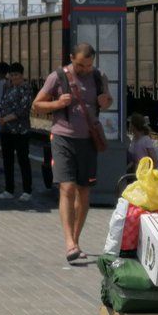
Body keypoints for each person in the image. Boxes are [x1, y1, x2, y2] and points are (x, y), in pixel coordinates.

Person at [32, 42, 111, 264]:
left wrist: (106, 101)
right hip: (62, 137)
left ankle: (76, 241)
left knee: (84, 191)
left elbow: (107, 99)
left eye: (87, 65)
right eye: (79, 65)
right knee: (67, 187)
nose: (84, 69)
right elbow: (37, 104)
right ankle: (69, 243)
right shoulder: (57, 76)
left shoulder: (98, 76)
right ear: (70, 58)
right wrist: (57, 103)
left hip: (88, 140)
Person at [0, 62, 34, 200]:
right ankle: (9, 189)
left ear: (22, 75)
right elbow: (2, 103)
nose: (14, 77)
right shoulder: (7, 87)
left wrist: (5, 119)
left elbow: (23, 110)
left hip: (20, 130)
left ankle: (27, 191)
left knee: (23, 159)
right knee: (7, 160)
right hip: (6, 130)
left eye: (16, 74)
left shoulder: (26, 88)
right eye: (11, 75)